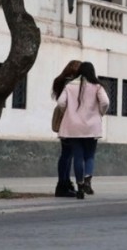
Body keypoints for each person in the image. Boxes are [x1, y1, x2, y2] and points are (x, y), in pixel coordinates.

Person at [56, 61, 109, 199]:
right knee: (89, 156)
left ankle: (79, 187)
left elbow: (61, 102)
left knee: (78, 157)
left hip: (73, 127)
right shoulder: (97, 86)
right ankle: (87, 179)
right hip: (91, 127)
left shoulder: (70, 86)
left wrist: (68, 112)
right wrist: (100, 113)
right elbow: (105, 102)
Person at [51, 60, 81, 198]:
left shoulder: (60, 81)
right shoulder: (71, 83)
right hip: (69, 121)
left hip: (64, 121)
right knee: (67, 154)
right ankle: (62, 184)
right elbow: (64, 102)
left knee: (67, 153)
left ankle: (66, 182)